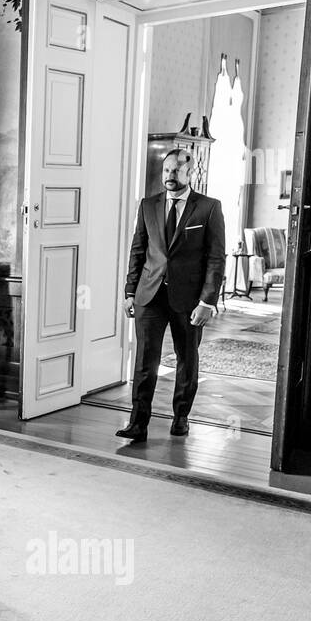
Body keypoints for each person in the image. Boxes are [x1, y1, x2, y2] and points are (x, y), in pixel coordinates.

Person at [118, 148, 225, 442]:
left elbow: (216, 258)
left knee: (186, 359)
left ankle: (181, 417)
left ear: (191, 173)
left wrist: (207, 302)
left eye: (177, 170)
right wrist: (130, 292)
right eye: (166, 170)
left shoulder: (208, 208)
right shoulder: (148, 205)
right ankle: (137, 423)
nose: (170, 176)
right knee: (144, 361)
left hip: (189, 300)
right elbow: (138, 250)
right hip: (149, 295)